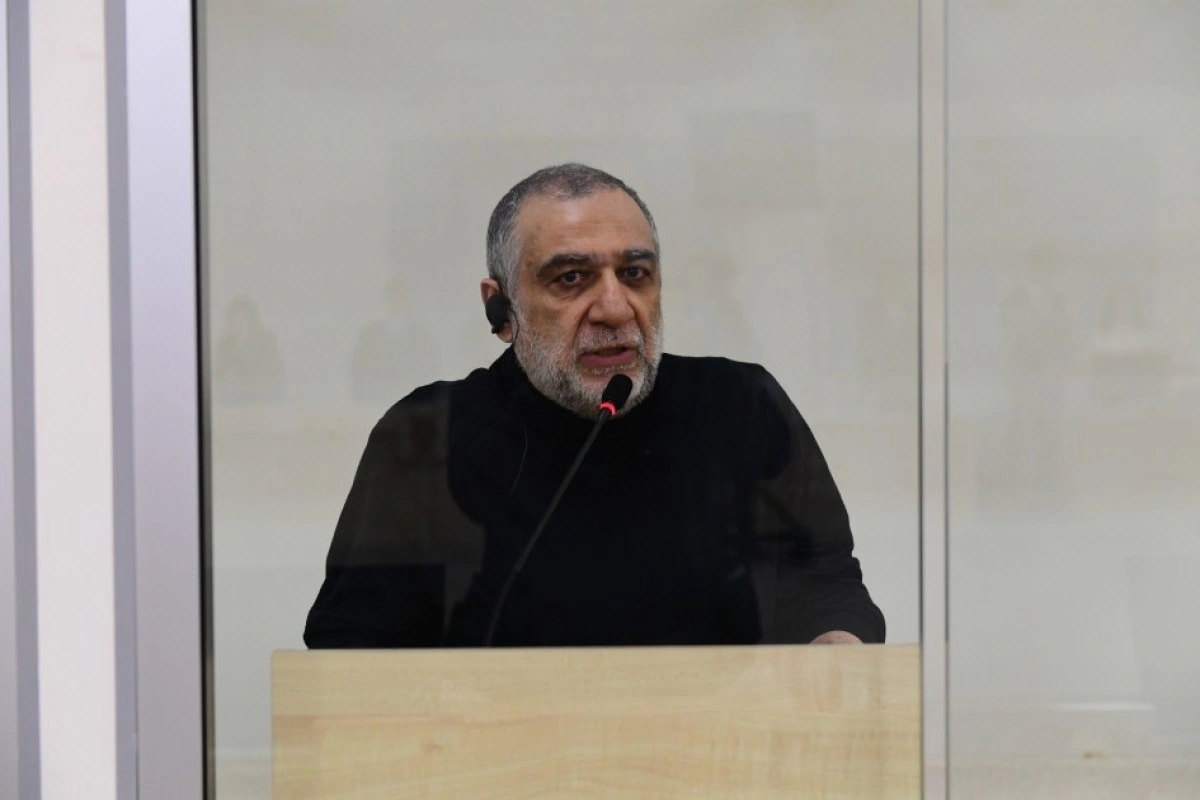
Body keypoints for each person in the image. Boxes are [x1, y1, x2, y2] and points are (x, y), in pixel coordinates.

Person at [304, 163, 884, 648]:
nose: (614, 308)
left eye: (634, 274)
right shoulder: (429, 434)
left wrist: (837, 644)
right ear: (501, 310)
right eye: (571, 278)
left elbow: (825, 585)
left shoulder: (742, 406)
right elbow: (350, 646)